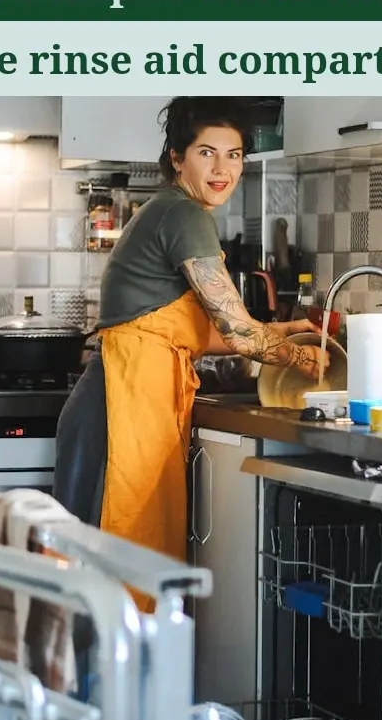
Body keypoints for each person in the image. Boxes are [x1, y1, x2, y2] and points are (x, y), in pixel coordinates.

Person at [53, 97, 326, 608]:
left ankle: (97, 687)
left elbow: (191, 333)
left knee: (100, 575)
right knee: (110, 579)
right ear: (177, 158)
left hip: (122, 399)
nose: (223, 169)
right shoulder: (185, 216)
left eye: (235, 154)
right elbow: (241, 336)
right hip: (120, 408)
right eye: (207, 152)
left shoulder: (171, 210)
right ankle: (99, 689)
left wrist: (285, 330)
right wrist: (302, 358)